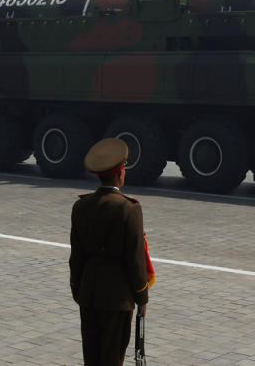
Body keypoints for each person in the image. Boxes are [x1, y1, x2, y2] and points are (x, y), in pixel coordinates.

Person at [70, 138, 154, 366]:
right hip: (117, 297)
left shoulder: (81, 206)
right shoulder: (129, 209)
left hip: (88, 291)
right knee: (112, 358)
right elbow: (135, 259)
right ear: (120, 173)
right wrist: (142, 296)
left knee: (92, 357)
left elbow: (76, 257)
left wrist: (78, 289)